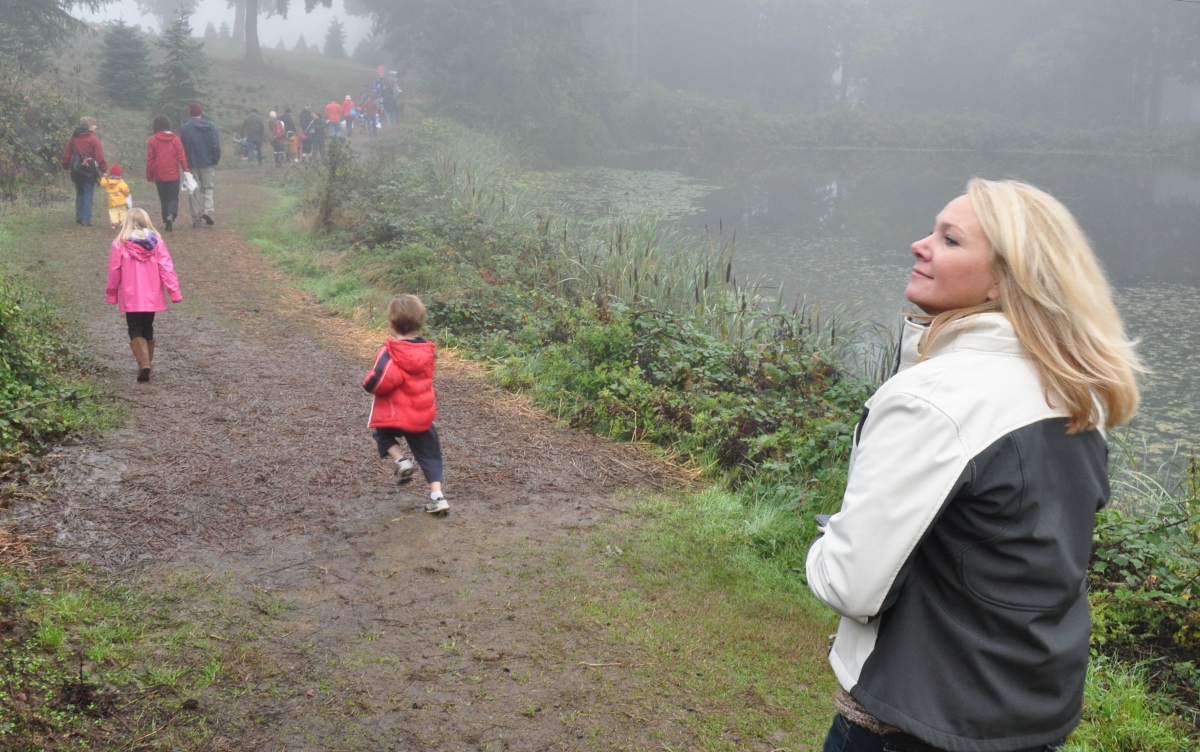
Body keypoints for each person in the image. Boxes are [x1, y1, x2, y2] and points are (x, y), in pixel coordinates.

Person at [807, 179, 1142, 752]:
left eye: (950, 239)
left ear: (1003, 281)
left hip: (909, 725)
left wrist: (825, 544)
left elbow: (851, 584)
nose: (919, 245)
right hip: (1027, 720)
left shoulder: (936, 400)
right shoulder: (1072, 391)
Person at [362, 295, 450, 516]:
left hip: (396, 415)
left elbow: (378, 383)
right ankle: (438, 496)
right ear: (420, 323)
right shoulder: (428, 351)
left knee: (382, 435)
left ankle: (401, 461)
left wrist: (367, 382)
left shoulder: (391, 352)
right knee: (430, 453)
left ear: (391, 324)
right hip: (421, 415)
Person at [105, 207, 183, 383]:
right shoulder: (157, 243)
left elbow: (114, 270)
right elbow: (166, 268)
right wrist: (174, 291)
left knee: (134, 326)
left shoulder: (120, 243)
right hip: (152, 294)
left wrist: (112, 293)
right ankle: (146, 363)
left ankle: (144, 363)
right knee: (148, 325)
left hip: (130, 294)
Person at [145, 114, 189, 232]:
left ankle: (166, 220)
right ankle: (172, 215)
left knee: (163, 198)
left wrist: (150, 176)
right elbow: (181, 156)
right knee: (173, 197)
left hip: (159, 174)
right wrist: (186, 171)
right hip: (173, 174)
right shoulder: (176, 139)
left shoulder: (153, 140)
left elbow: (150, 159)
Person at [179, 102, 220, 228]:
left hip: (191, 164)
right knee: (208, 187)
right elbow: (215, 145)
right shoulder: (210, 126)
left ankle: (196, 218)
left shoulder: (185, 128)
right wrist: (215, 159)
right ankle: (207, 210)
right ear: (201, 112)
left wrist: (184, 164)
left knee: (193, 190)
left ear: (190, 113)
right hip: (207, 162)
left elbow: (182, 148)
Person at [61, 116, 107, 226]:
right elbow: (99, 156)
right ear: (89, 126)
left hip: (76, 170)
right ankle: (86, 220)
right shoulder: (93, 139)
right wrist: (103, 170)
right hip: (89, 171)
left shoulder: (73, 138)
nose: (96, 127)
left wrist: (66, 166)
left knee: (80, 192)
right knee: (88, 193)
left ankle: (79, 217)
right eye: (94, 125)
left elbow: (66, 154)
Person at [99, 164, 130, 230]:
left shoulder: (108, 182)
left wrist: (103, 177)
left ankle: (114, 224)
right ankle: (123, 222)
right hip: (121, 202)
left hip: (112, 203)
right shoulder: (121, 182)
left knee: (113, 213)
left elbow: (102, 184)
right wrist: (127, 195)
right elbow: (126, 190)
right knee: (123, 212)